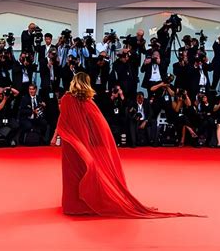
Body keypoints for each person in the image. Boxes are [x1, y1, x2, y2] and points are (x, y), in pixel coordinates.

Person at [50, 72, 203, 218]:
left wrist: (56, 136)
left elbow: (62, 121)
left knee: (72, 173)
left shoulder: (66, 99)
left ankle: (73, 205)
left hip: (71, 143)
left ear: (74, 83)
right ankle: (83, 204)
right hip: (83, 143)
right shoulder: (88, 102)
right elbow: (100, 124)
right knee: (83, 169)